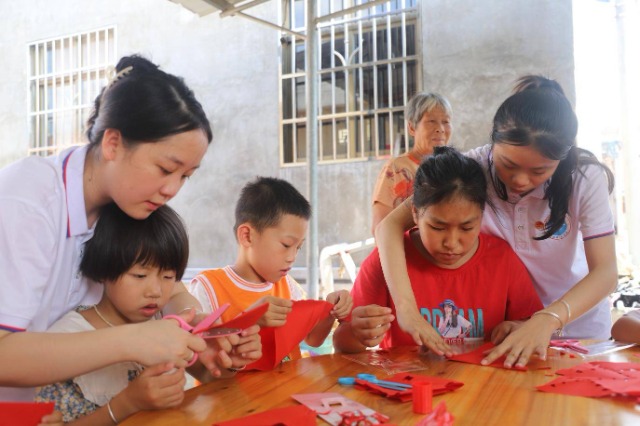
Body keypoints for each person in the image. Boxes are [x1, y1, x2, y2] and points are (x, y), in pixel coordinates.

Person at [0, 54, 227, 401]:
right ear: (113, 144)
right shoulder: (29, 200)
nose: (172, 190)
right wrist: (132, 341)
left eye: (185, 176)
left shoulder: (126, 200)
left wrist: (199, 325)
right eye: (166, 168)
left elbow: (170, 282)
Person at [374, 76, 617, 368]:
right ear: (493, 143)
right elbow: (389, 225)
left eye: (539, 171)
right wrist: (407, 309)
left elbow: (606, 272)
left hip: (579, 325)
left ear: (561, 159)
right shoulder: (473, 168)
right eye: (508, 165)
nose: (520, 180)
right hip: (508, 329)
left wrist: (548, 318)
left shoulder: (584, 177)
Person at [34, 203, 260, 424]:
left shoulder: (164, 323)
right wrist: (127, 404)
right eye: (140, 276)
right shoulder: (65, 338)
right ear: (104, 269)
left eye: (168, 277)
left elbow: (210, 375)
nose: (156, 291)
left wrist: (230, 361)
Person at [333, 146, 542, 353]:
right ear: (415, 213)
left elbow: (534, 325)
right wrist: (357, 333)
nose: (451, 242)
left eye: (467, 227)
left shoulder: (501, 259)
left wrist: (518, 329)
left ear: (482, 215)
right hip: (408, 385)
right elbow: (342, 343)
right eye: (437, 227)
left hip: (483, 384)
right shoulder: (387, 259)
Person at [189, 177, 353, 362]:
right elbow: (198, 354)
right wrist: (249, 320)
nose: (292, 256)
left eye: (298, 247)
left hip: (285, 388)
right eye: (286, 244)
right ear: (247, 236)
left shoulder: (287, 286)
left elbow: (312, 339)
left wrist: (332, 310)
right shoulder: (208, 287)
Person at [370, 92, 453, 234]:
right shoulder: (396, 169)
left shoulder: (454, 168)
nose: (440, 128)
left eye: (446, 121)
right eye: (431, 121)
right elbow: (380, 228)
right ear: (412, 128)